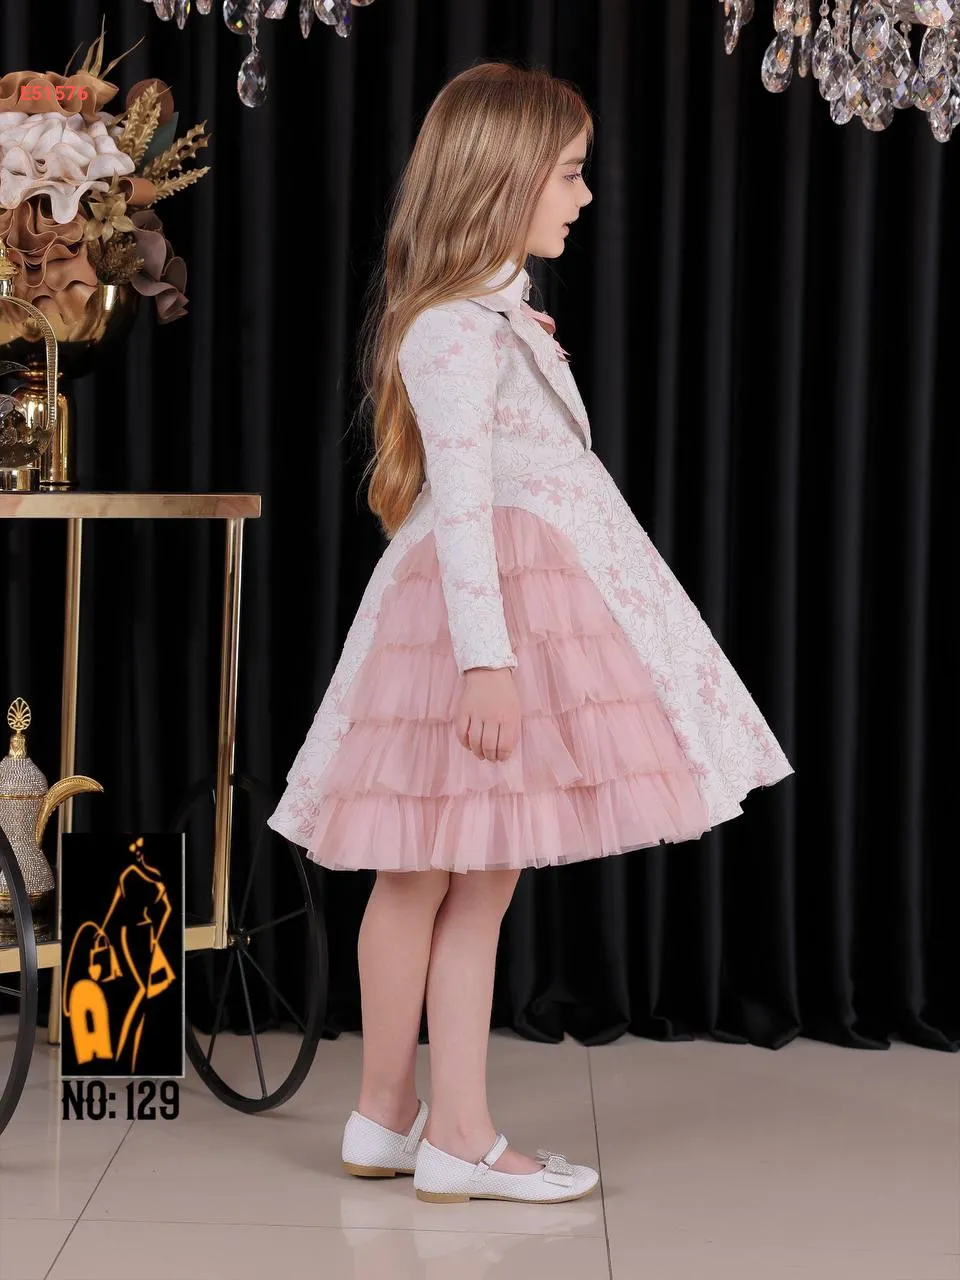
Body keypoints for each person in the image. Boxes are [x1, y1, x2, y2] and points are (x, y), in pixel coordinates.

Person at [268, 60, 793, 1206]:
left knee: (421, 872)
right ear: (503, 179)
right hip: (482, 616)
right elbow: (461, 500)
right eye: (568, 172)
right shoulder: (459, 329)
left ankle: (385, 1114)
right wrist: (488, 662)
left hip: (465, 608)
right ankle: (459, 1135)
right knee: (474, 875)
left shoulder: (479, 320)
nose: (584, 195)